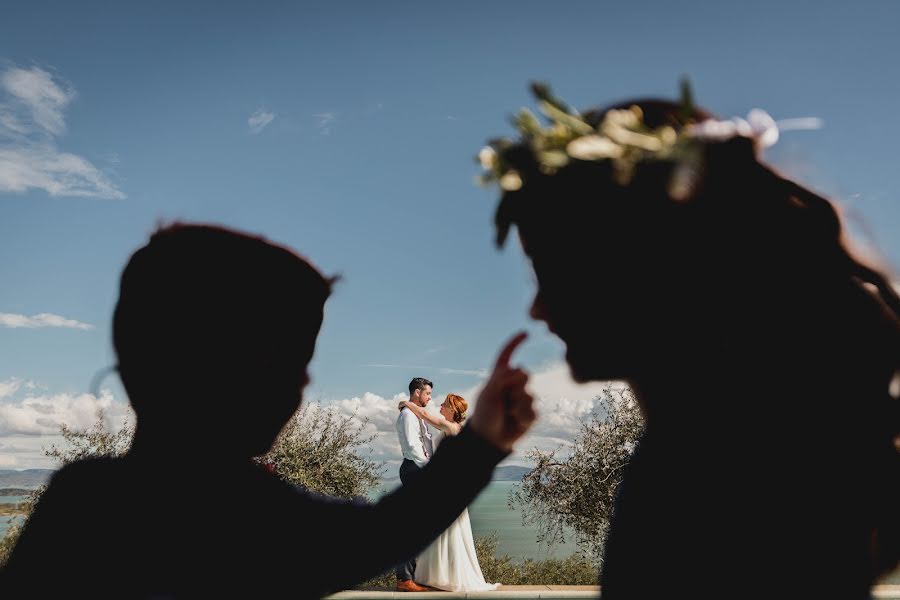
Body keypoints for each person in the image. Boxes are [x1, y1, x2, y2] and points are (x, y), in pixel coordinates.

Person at [478, 83, 900, 598]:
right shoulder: (756, 435)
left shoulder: (715, 478)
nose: (538, 308)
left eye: (554, 272)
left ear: (647, 267)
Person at [0, 223, 537, 599]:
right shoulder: (244, 510)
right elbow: (383, 532)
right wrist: (483, 443)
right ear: (225, 374)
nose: (302, 386)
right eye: (289, 365)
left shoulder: (80, 499)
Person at [399, 394, 500, 592]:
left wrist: (406, 403)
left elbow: (424, 415)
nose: (441, 406)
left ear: (453, 410)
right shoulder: (454, 429)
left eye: (444, 405)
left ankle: (443, 576)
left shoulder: (451, 427)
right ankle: (438, 575)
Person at [394, 376, 435, 592]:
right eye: (427, 393)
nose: (429, 397)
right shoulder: (409, 415)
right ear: (417, 392)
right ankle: (404, 579)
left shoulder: (415, 414)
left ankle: (411, 575)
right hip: (414, 469)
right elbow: (411, 446)